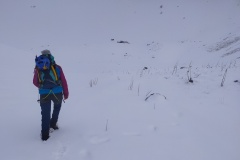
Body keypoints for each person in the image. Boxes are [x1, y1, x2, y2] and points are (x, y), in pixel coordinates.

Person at [33, 50, 69, 141]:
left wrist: (42, 87)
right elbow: (63, 81)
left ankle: (45, 135)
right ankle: (53, 124)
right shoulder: (57, 67)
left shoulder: (38, 67)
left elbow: (35, 82)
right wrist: (66, 93)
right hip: (57, 93)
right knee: (57, 107)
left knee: (45, 113)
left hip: (44, 94)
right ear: (50, 56)